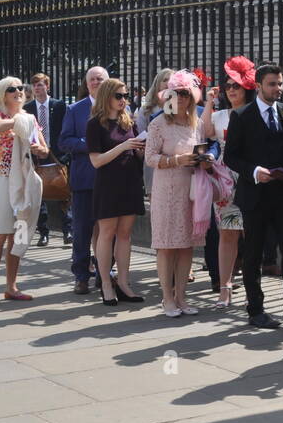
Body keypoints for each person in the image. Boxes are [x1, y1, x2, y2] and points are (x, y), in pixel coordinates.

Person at [223, 63, 283, 332]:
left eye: (280, 83)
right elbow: (231, 156)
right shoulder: (242, 116)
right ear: (260, 86)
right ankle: (256, 309)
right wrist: (254, 171)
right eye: (273, 84)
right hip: (255, 196)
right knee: (253, 253)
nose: (278, 89)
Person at [145, 70, 209, 316]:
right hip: (166, 191)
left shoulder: (197, 123)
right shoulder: (158, 123)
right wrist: (177, 160)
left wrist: (203, 160)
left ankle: (182, 297)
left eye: (185, 93)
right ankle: (167, 298)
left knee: (186, 246)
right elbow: (150, 157)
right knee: (167, 246)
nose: (181, 97)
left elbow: (201, 148)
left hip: (191, 190)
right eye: (176, 93)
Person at [0, 77, 45, 305]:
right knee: (0, 234)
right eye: (11, 89)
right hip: (0, 178)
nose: (18, 91)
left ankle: (11, 286)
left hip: (23, 179)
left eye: (20, 88)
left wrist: (38, 147)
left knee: (18, 233)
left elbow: (44, 149)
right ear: (2, 94)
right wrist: (18, 122)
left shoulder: (29, 118)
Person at [87, 78, 146, 306]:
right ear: (107, 97)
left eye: (125, 96)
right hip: (108, 184)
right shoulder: (95, 124)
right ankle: (105, 283)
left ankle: (124, 282)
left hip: (130, 182)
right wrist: (123, 146)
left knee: (125, 234)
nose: (123, 100)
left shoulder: (128, 121)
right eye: (118, 96)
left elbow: (137, 154)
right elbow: (96, 161)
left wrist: (141, 148)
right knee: (107, 233)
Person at [202, 57, 254, 308]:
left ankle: (253, 290)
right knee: (227, 235)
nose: (231, 90)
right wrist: (209, 102)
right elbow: (206, 132)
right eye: (228, 86)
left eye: (237, 85)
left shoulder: (254, 113)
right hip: (225, 179)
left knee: (252, 234)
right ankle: (225, 289)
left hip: (249, 177)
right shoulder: (221, 114)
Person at [59, 66, 108, 294]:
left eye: (101, 79)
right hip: (85, 179)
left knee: (109, 231)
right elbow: (64, 141)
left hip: (111, 179)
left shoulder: (117, 107)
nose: (97, 82)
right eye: (93, 79)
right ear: (86, 84)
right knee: (82, 230)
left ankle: (104, 272)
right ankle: (81, 275)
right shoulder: (75, 109)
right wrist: (91, 145)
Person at [26, 72, 70, 246]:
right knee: (39, 195)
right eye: (35, 84)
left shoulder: (59, 105)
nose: (37, 87)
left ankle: (68, 231)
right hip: (37, 157)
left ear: (47, 86)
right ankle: (43, 232)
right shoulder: (28, 108)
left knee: (63, 193)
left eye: (41, 84)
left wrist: (65, 155)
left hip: (57, 156)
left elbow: (66, 129)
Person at [135, 68, 174, 200]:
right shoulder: (146, 110)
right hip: (154, 163)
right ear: (158, 84)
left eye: (172, 80)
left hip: (177, 163)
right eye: (165, 80)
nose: (169, 83)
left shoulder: (182, 108)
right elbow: (140, 136)